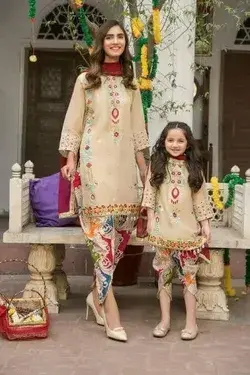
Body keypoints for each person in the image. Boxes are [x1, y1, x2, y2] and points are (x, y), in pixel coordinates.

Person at [59, 19, 149, 342]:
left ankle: (96, 294)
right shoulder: (86, 80)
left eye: (120, 37)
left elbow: (138, 131)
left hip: (125, 170)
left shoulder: (131, 84)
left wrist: (143, 169)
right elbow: (74, 123)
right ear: (101, 43)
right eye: (109, 37)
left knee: (120, 236)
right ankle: (111, 311)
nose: (115, 42)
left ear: (126, 44)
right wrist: (71, 160)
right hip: (95, 168)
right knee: (101, 241)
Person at [142, 122, 213, 340]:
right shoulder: (157, 165)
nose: (175, 144)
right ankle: (164, 321)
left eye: (180, 140)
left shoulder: (193, 167)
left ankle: (191, 323)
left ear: (188, 143)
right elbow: (150, 193)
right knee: (164, 275)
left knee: (189, 277)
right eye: (170, 140)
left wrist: (205, 224)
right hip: (163, 229)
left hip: (188, 231)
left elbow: (199, 197)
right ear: (163, 142)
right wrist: (151, 218)